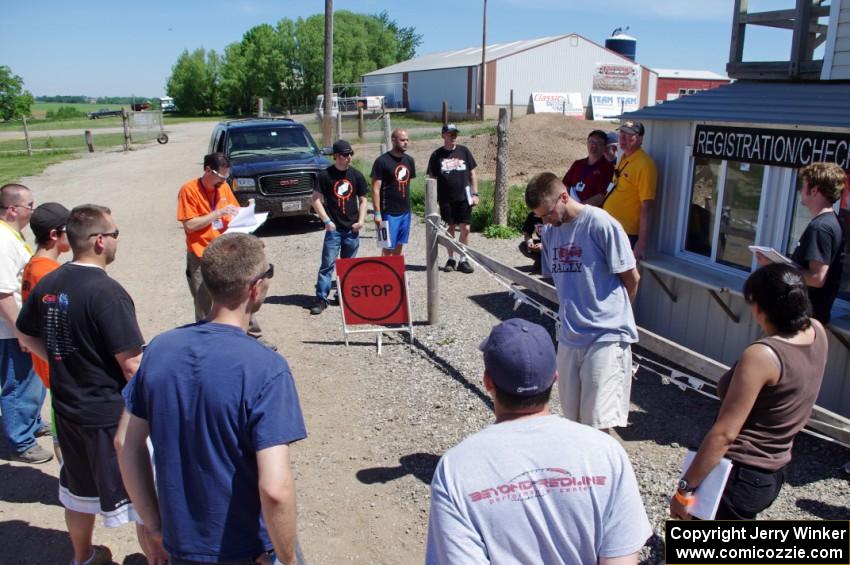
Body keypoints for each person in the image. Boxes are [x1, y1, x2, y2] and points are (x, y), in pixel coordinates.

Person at [117, 233, 307, 565]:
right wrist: (288, 560)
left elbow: (124, 443)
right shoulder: (267, 368)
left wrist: (155, 525)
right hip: (249, 549)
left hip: (181, 545)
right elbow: (275, 489)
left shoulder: (160, 349)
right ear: (255, 288)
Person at [426, 318, 651, 564]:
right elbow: (621, 556)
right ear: (555, 378)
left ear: (488, 382)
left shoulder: (457, 468)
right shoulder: (606, 451)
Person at [17, 204, 148, 565]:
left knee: (76, 494)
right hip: (109, 417)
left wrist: (63, 361)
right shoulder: (107, 293)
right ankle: (158, 559)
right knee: (143, 499)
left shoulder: (49, 282)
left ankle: (83, 556)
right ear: (100, 240)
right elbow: (133, 365)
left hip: (67, 411)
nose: (118, 241)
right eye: (116, 234)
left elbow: (26, 336)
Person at [670, 264, 827, 520]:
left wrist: (685, 488)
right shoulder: (817, 331)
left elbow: (725, 434)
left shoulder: (763, 355)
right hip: (774, 467)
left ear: (758, 307)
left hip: (738, 474)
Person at [526, 172, 640, 431]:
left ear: (564, 197)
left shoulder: (601, 224)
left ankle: (611, 470)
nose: (545, 221)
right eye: (540, 217)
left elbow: (631, 278)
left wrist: (614, 318)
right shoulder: (552, 232)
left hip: (605, 336)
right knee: (573, 424)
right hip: (569, 335)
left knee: (598, 424)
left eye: (548, 214)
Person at [178, 153, 268, 342]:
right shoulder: (189, 190)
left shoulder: (224, 187)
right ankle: (207, 342)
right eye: (221, 177)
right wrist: (217, 212)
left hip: (227, 252)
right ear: (208, 170)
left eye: (226, 177)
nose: (224, 181)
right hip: (201, 254)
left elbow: (234, 215)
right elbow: (190, 225)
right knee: (204, 302)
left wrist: (247, 213)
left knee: (240, 293)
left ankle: (253, 337)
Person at [0, 183, 50, 464]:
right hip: (10, 328)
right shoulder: (3, 241)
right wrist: (20, 330)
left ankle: (30, 420)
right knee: (18, 381)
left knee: (32, 378)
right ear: (12, 209)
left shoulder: (11, 234)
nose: (33, 209)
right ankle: (21, 438)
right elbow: (3, 292)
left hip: (19, 324)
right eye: (29, 205)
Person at [22, 202, 71, 462]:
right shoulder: (50, 273)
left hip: (46, 363)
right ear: (54, 234)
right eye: (69, 229)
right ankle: (70, 481)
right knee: (63, 429)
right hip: (60, 366)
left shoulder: (33, 265)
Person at [310, 139, 368, 315]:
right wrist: (326, 221)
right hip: (334, 230)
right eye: (345, 154)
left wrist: (361, 220)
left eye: (351, 154)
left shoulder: (356, 175)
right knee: (327, 264)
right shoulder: (325, 176)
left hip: (352, 229)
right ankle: (321, 298)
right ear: (336, 156)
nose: (349, 157)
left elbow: (363, 199)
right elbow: (315, 200)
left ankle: (344, 296)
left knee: (348, 265)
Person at [786, 162, 845, 324]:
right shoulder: (831, 222)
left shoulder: (821, 228)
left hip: (804, 321)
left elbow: (817, 278)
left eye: (803, 186)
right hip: (809, 319)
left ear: (814, 190)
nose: (800, 191)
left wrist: (779, 269)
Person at [427, 123, 479, 274]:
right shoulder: (436, 155)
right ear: (443, 135)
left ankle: (463, 258)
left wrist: (475, 194)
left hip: (464, 197)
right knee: (450, 229)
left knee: (466, 229)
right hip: (446, 199)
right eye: (450, 134)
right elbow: (432, 179)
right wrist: (432, 202)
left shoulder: (464, 151)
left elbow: (473, 174)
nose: (453, 137)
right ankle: (451, 259)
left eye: (455, 134)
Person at [603, 120, 657, 260]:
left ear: (639, 139)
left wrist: (641, 244)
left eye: (629, 135)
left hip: (626, 233)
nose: (623, 139)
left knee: (620, 277)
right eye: (621, 134)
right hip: (610, 227)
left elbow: (647, 207)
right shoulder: (624, 157)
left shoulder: (645, 165)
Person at [371, 128, 416, 256]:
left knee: (400, 244)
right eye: (402, 140)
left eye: (407, 140)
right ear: (393, 140)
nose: (406, 142)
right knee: (387, 246)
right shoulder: (382, 161)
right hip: (388, 212)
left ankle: (395, 272)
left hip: (405, 211)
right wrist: (377, 213)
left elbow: (407, 184)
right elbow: (375, 189)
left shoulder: (409, 161)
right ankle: (384, 273)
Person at [561, 129, 615, 206]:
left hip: (590, 213)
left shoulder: (608, 168)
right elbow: (565, 185)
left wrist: (578, 208)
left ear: (604, 147)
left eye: (598, 143)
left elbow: (601, 196)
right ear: (587, 143)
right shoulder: (577, 164)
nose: (594, 146)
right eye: (591, 142)